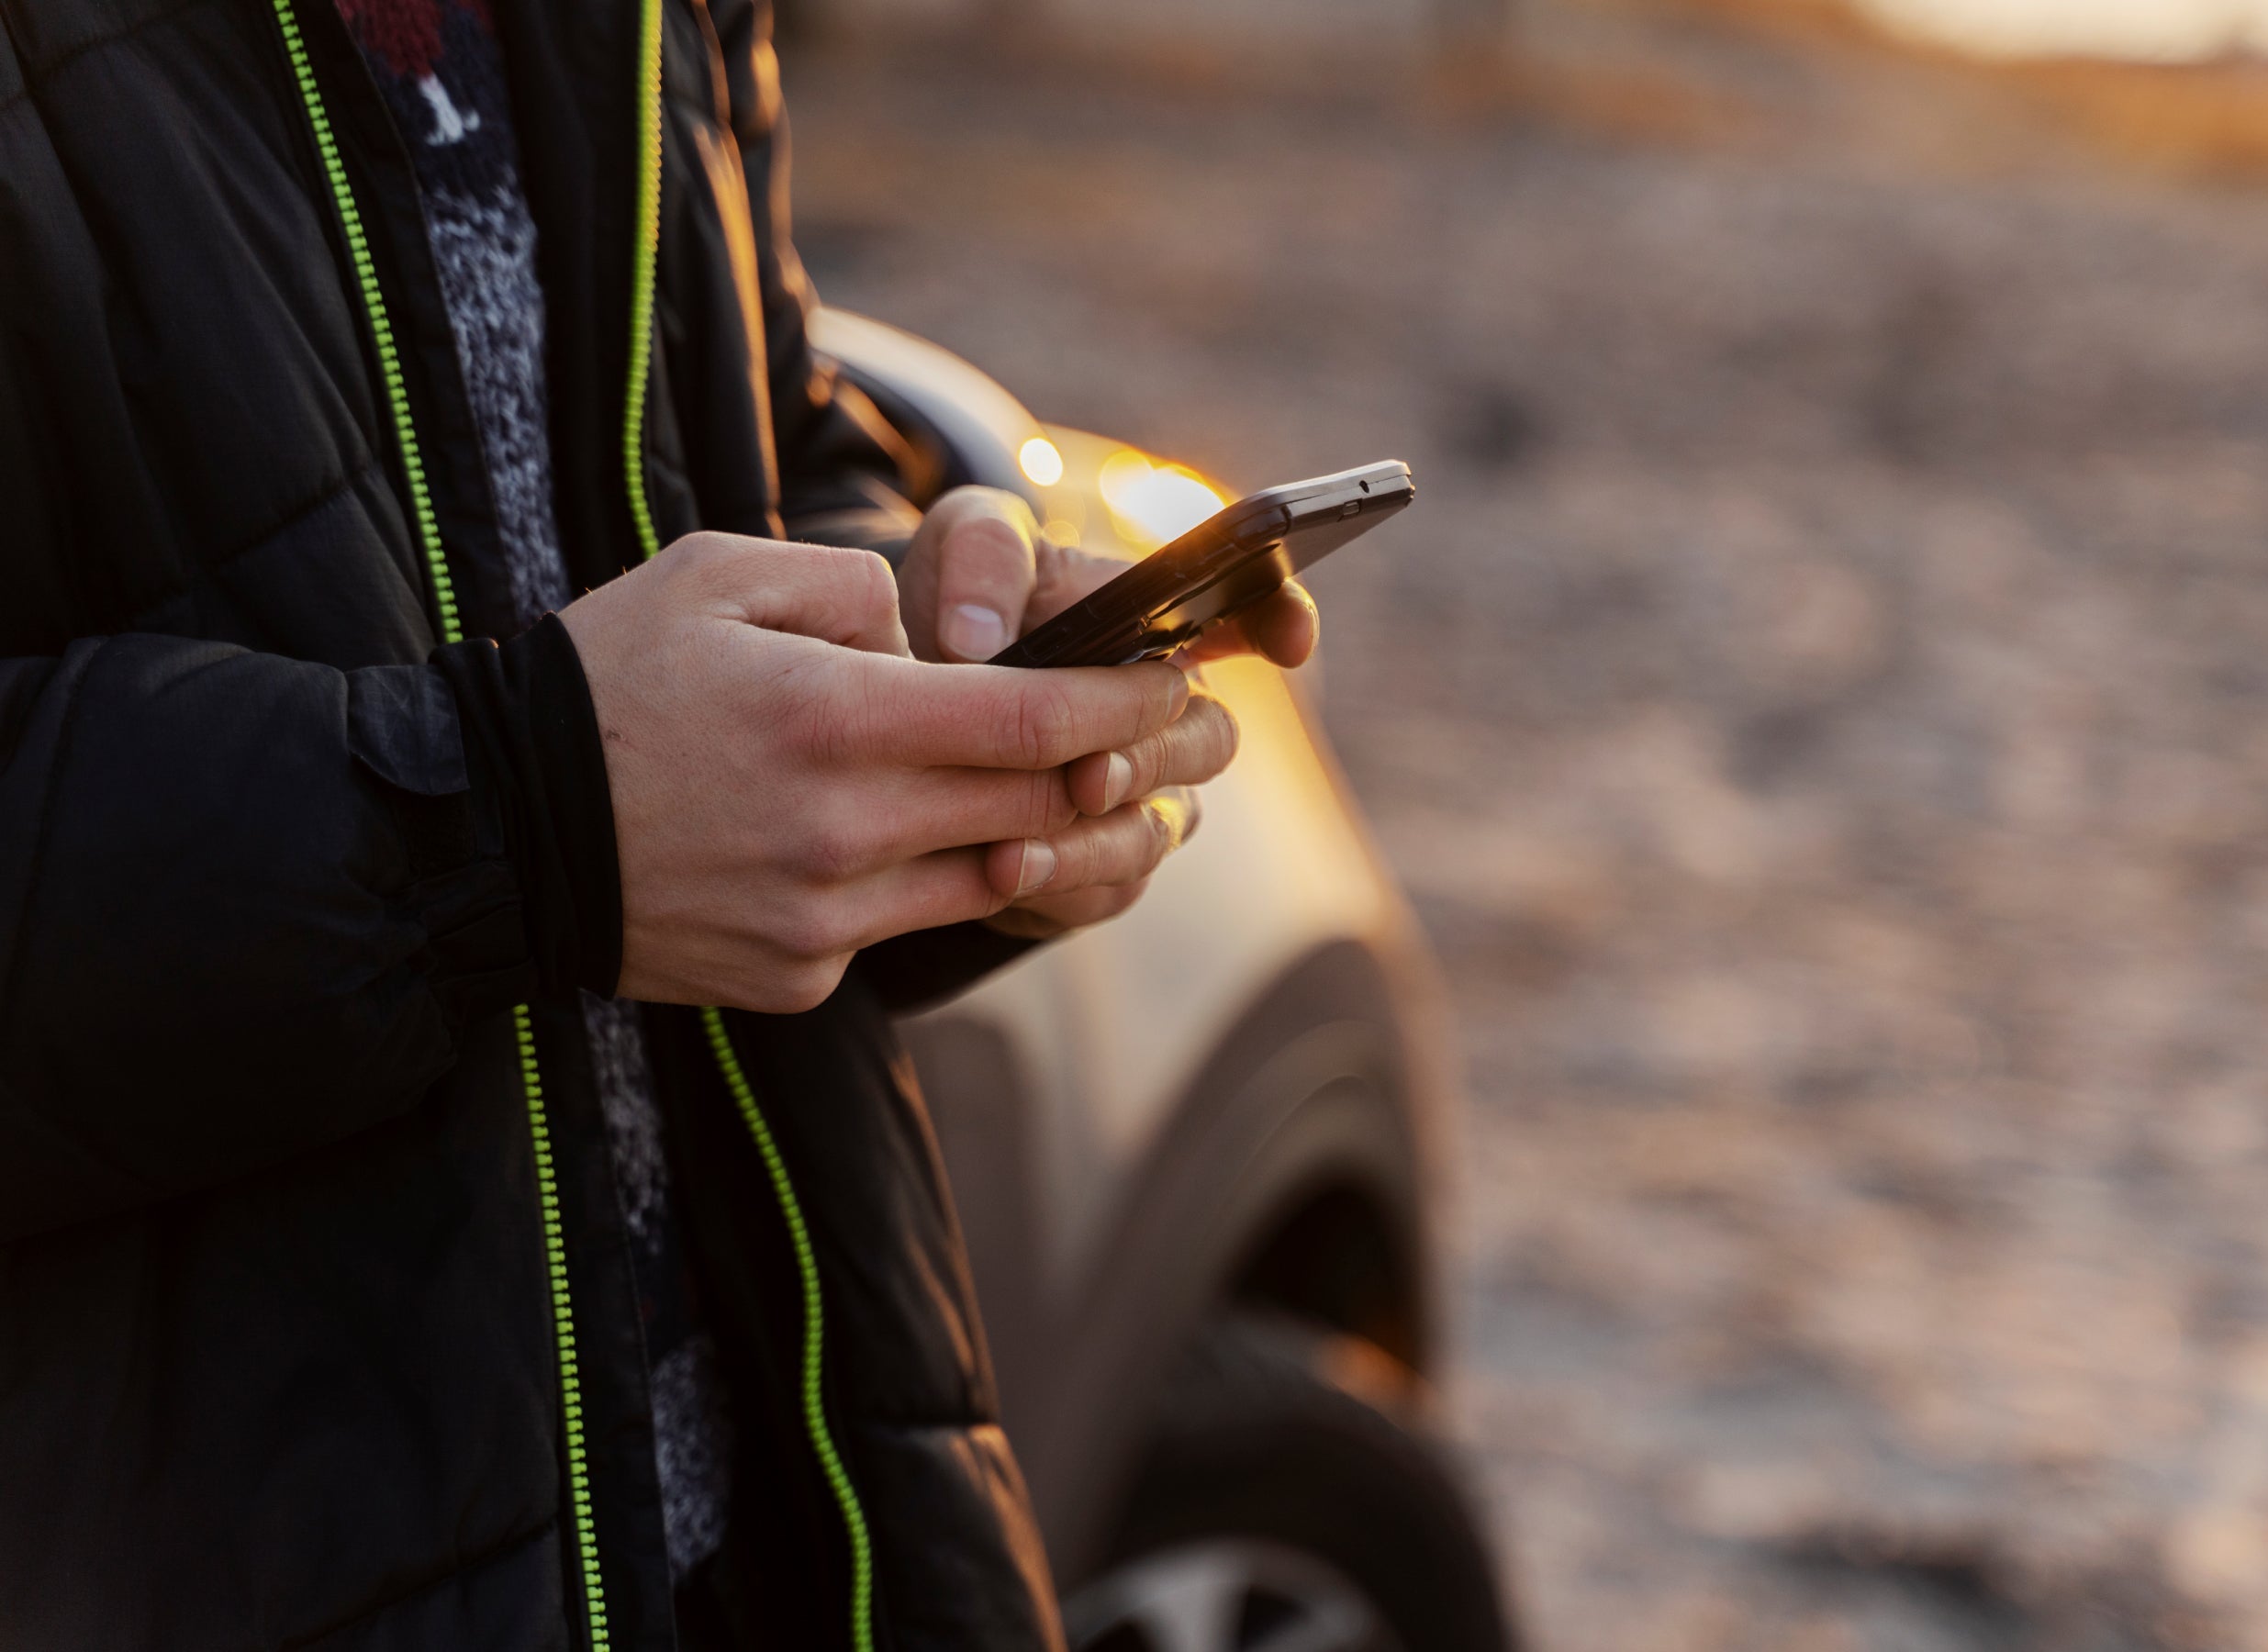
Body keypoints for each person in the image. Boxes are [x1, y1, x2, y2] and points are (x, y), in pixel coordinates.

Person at [0, 0, 1314, 1647]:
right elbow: (556, 793)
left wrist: (923, 679)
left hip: (751, 1547)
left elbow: (761, 431)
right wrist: (504, 822)